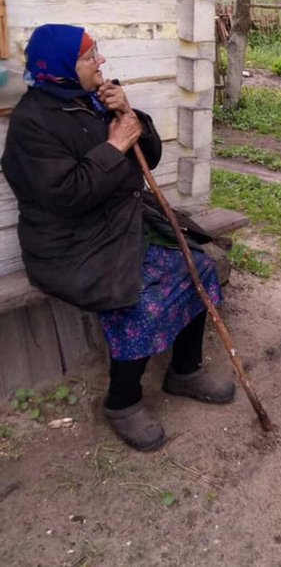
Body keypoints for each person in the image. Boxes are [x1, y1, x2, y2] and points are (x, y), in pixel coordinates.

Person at [2, 24, 235, 451]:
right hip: (72, 248)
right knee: (138, 297)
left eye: (98, 53)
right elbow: (66, 196)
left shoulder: (93, 100)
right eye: (91, 56)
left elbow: (150, 155)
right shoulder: (31, 124)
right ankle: (123, 402)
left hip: (120, 226)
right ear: (62, 67)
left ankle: (184, 370)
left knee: (197, 263)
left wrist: (130, 115)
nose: (101, 62)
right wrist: (113, 147)